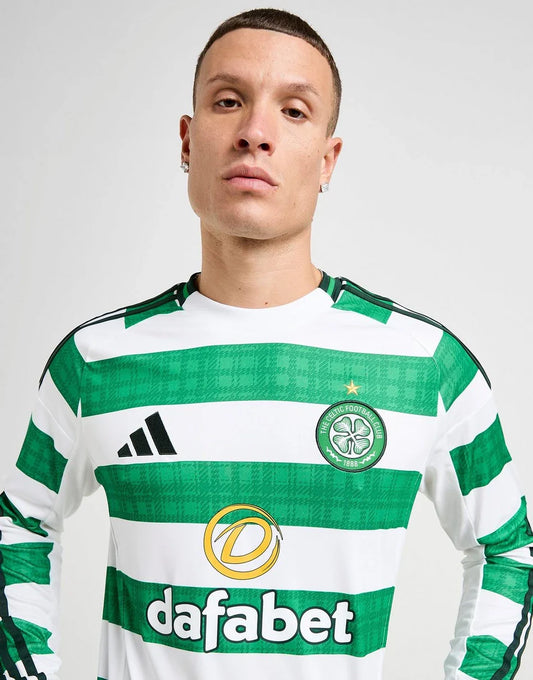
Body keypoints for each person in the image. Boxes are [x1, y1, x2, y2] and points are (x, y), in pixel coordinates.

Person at [0, 7, 531, 680]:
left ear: (327, 160)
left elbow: (508, 550)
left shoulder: (425, 366)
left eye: (294, 111)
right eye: (229, 101)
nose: (255, 132)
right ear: (187, 140)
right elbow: (19, 525)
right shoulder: (95, 361)